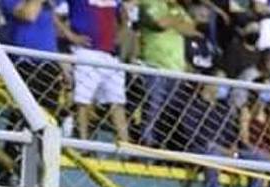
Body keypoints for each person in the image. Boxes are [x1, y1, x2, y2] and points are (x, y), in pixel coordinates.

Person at [68, 0, 132, 142]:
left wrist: (122, 32)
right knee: (83, 100)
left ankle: (127, 146)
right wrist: (70, 36)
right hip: (86, 52)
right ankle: (83, 143)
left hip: (110, 55)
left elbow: (124, 16)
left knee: (118, 101)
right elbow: (55, 12)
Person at [137, 0, 199, 146]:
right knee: (153, 105)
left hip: (176, 68)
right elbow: (159, 24)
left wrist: (172, 20)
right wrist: (175, 19)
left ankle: (164, 141)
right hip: (155, 63)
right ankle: (146, 139)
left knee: (170, 110)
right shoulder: (149, 3)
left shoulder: (178, 8)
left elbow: (191, 30)